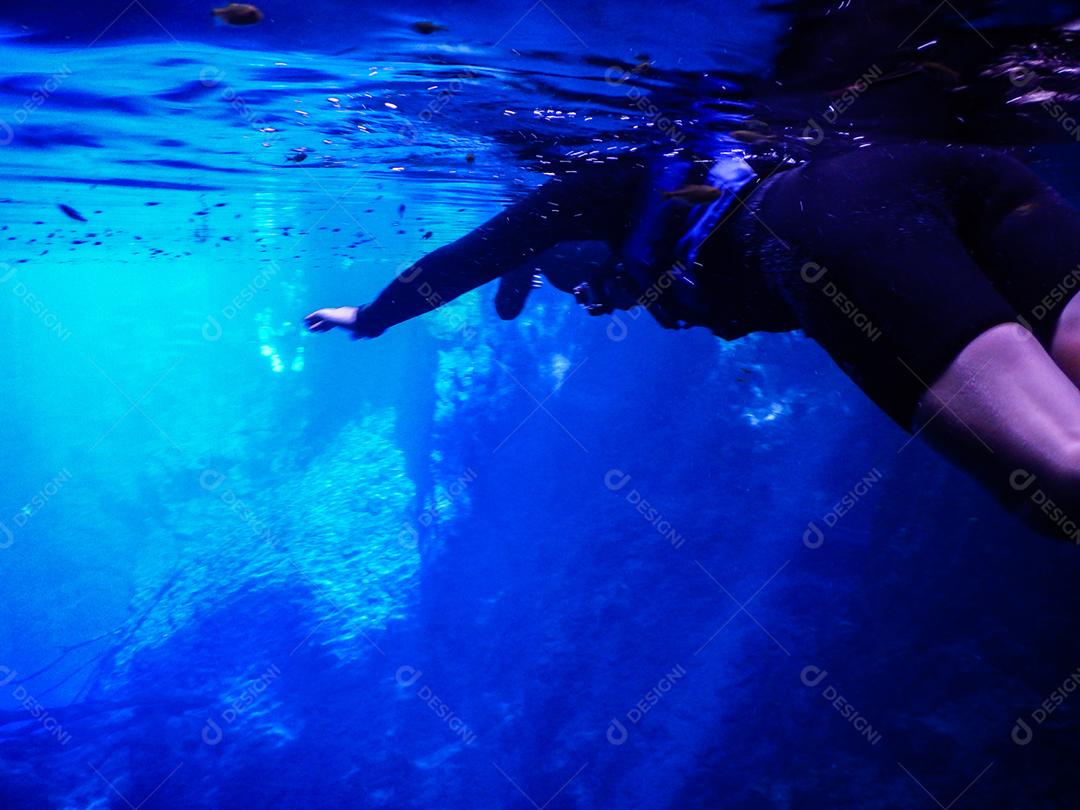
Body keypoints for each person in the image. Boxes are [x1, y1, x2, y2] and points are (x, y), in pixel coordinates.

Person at [305, 143, 1080, 540]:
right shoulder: (697, 163)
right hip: (955, 175)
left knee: (1059, 480)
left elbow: (471, 259)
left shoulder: (588, 189)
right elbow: (502, 276)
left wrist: (370, 318)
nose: (591, 300)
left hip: (826, 230)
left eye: (577, 285)